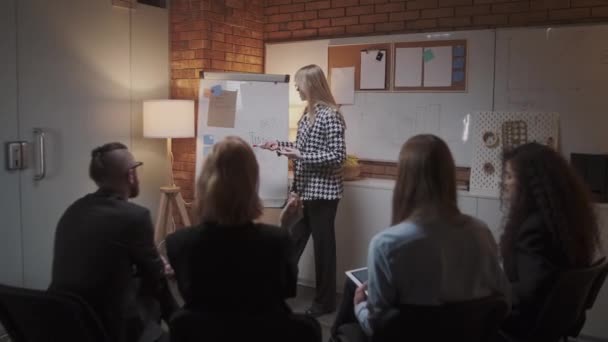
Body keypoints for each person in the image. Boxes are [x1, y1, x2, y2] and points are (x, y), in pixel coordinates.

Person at [331, 134, 510, 341]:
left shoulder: (386, 245)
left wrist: (360, 306)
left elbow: (377, 327)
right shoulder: (482, 233)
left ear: (404, 180)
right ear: (449, 177)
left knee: (347, 316)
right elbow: (504, 301)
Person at [165, 136, 321, 342]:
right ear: (251, 185)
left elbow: (189, 303)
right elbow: (287, 289)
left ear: (203, 183)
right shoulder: (277, 240)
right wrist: (284, 228)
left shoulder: (179, 242)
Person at [49, 142, 177, 342]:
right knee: (156, 283)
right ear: (131, 175)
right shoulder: (135, 216)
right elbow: (155, 275)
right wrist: (160, 267)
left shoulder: (73, 210)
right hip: (110, 326)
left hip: (65, 321)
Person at [260, 64, 347, 317]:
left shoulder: (330, 115)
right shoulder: (308, 113)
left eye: (299, 83)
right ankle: (276, 295)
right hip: (304, 191)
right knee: (292, 243)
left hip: (323, 195)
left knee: (323, 249)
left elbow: (337, 156)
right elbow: (299, 147)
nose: (296, 87)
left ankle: (325, 303)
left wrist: (301, 154)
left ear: (312, 84)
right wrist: (278, 145)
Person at [499, 142, 601, 338]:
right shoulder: (565, 220)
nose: (505, 183)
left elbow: (530, 290)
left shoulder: (534, 228)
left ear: (530, 183)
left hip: (524, 325)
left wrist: (494, 289)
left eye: (510, 176)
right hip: (554, 323)